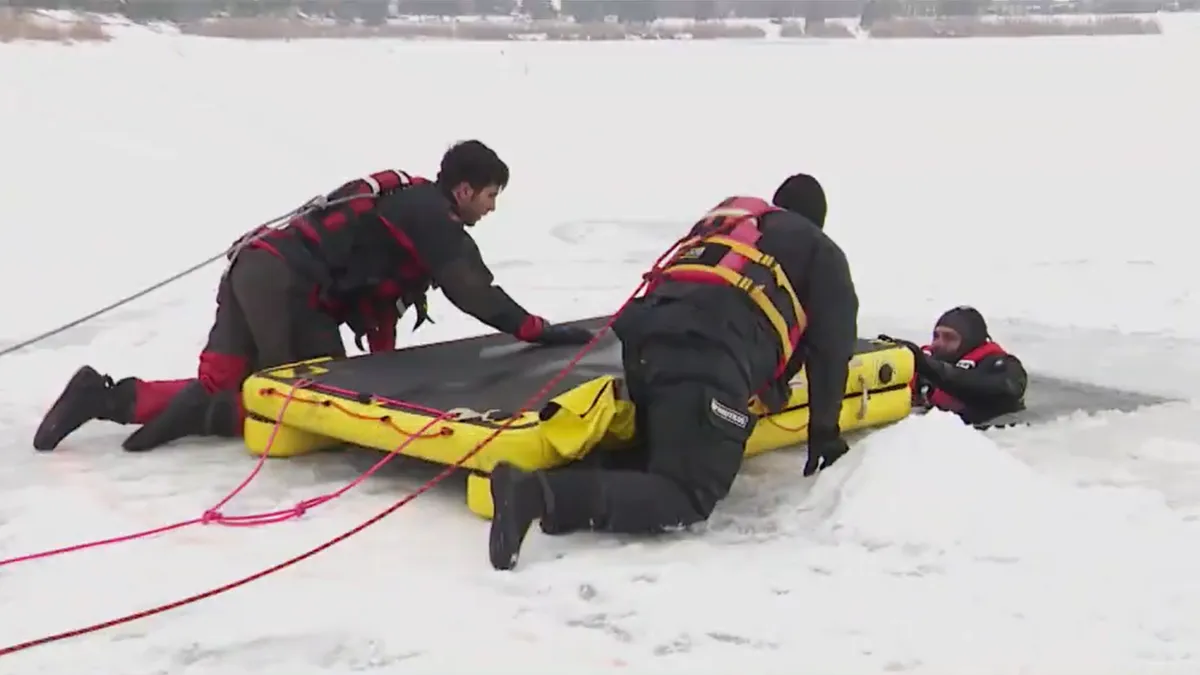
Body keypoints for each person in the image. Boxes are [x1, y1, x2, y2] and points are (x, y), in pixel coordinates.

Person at [33, 140, 593, 454]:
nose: (492, 208)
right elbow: (474, 292)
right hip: (288, 284)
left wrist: (389, 374)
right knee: (316, 410)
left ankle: (102, 397)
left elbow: (381, 308)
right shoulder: (434, 218)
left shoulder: (405, 206)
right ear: (465, 189)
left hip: (254, 265)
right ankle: (183, 420)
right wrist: (538, 331)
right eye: (491, 195)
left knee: (223, 378)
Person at [486, 173, 860, 571]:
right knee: (687, 491)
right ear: (817, 221)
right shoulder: (821, 252)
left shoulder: (737, 224)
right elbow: (832, 349)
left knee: (654, 456)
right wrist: (824, 434)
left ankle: (558, 492)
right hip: (707, 347)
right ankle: (535, 495)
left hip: (645, 337)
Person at [878, 305, 1027, 425]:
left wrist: (926, 365)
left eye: (949, 338)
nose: (938, 343)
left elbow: (983, 389)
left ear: (971, 342)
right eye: (936, 336)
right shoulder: (926, 361)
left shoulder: (1005, 369)